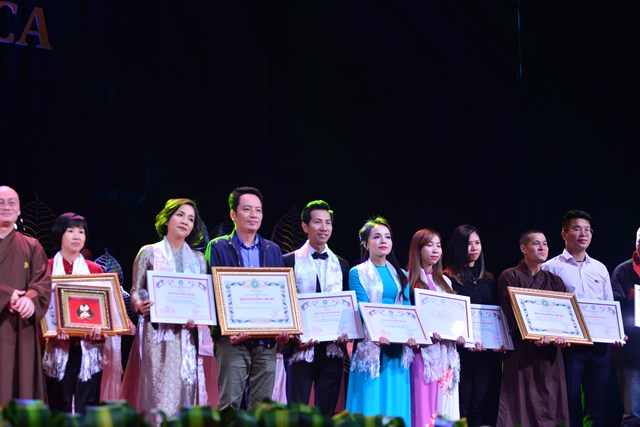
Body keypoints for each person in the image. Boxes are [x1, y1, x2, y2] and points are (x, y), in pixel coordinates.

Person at [121, 198, 206, 425]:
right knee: (157, 390)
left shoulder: (198, 260)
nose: (185, 221)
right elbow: (136, 289)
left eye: (191, 219)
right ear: (166, 219)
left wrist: (198, 317)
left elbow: (200, 298)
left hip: (187, 336)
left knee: (186, 388)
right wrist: (139, 303)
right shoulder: (149, 252)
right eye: (180, 215)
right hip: (157, 335)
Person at [205, 186, 288, 410]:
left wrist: (284, 325)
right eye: (247, 209)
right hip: (232, 341)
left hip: (266, 342)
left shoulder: (272, 249)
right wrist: (227, 328)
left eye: (258, 210)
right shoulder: (219, 246)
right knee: (230, 405)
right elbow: (213, 292)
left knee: (262, 408)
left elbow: (280, 294)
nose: (254, 215)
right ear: (233, 214)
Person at [541, 209, 622, 427]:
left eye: (587, 230)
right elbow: (546, 308)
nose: (584, 234)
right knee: (569, 400)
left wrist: (615, 333)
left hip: (599, 345)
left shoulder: (599, 268)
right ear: (564, 234)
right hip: (569, 345)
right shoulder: (551, 267)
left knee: (598, 403)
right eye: (577, 229)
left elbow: (608, 306)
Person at [282, 200, 350, 416]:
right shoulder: (288, 261)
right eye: (317, 222)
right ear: (305, 226)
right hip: (299, 347)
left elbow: (346, 307)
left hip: (332, 349)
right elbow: (283, 304)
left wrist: (347, 331)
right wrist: (292, 334)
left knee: (326, 411)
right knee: (297, 410)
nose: (324, 228)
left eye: (328, 222)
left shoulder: (342, 265)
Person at [345, 216, 415, 427]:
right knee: (371, 401)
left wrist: (411, 334)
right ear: (366, 244)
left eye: (387, 236)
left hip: (397, 348)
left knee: (394, 401)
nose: (383, 241)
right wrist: (379, 332)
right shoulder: (357, 273)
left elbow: (408, 309)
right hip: (372, 345)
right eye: (376, 237)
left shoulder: (401, 274)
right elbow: (363, 306)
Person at [496, 230, 570, 427]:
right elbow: (511, 313)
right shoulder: (510, 276)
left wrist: (562, 336)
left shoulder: (555, 281)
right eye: (536, 244)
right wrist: (535, 335)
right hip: (522, 350)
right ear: (523, 248)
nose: (542, 248)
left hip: (551, 352)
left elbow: (563, 316)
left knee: (551, 401)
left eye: (545, 244)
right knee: (520, 404)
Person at [42, 213, 107, 414]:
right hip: (55, 345)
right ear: (59, 234)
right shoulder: (46, 267)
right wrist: (50, 330)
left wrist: (101, 328)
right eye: (70, 231)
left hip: (88, 346)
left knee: (86, 404)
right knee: (57, 403)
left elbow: (104, 309)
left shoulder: (95, 270)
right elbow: (40, 305)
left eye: (81, 231)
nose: (77, 236)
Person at [443, 224, 502, 427]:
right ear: (458, 246)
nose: (474, 248)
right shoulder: (448, 279)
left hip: (485, 352)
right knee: (461, 405)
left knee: (480, 404)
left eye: (477, 243)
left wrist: (498, 341)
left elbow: (494, 315)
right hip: (462, 351)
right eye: (469, 244)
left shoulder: (488, 279)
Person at [0, 185, 52, 405]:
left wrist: (29, 300)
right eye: (1, 202)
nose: (6, 207)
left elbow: (42, 283)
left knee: (20, 385)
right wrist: (7, 294)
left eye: (12, 202)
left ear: (19, 209)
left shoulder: (31, 245)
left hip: (21, 327)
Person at [406, 228, 464, 425]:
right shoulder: (408, 280)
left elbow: (454, 316)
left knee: (445, 405)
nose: (435, 250)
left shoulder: (445, 281)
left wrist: (460, 333)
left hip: (446, 352)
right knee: (424, 405)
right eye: (429, 245)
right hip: (422, 353)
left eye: (438, 245)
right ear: (417, 249)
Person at [609, 226, 640, 426]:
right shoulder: (623, 270)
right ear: (636, 244)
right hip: (631, 354)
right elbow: (614, 307)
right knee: (633, 414)